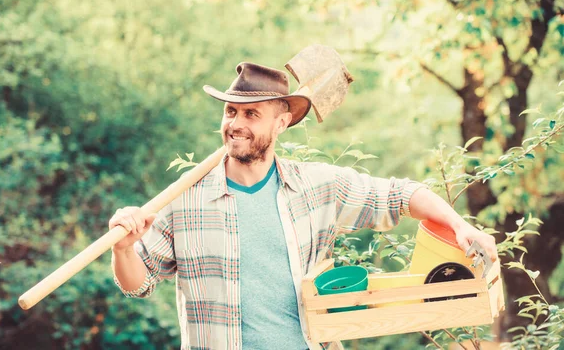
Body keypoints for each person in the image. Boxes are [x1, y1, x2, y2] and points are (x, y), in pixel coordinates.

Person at [110, 62, 498, 350]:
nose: (236, 123)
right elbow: (137, 283)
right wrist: (123, 248)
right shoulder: (185, 200)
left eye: (251, 113)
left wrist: (460, 225)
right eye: (230, 111)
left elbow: (400, 194)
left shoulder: (316, 187)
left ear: (281, 123)